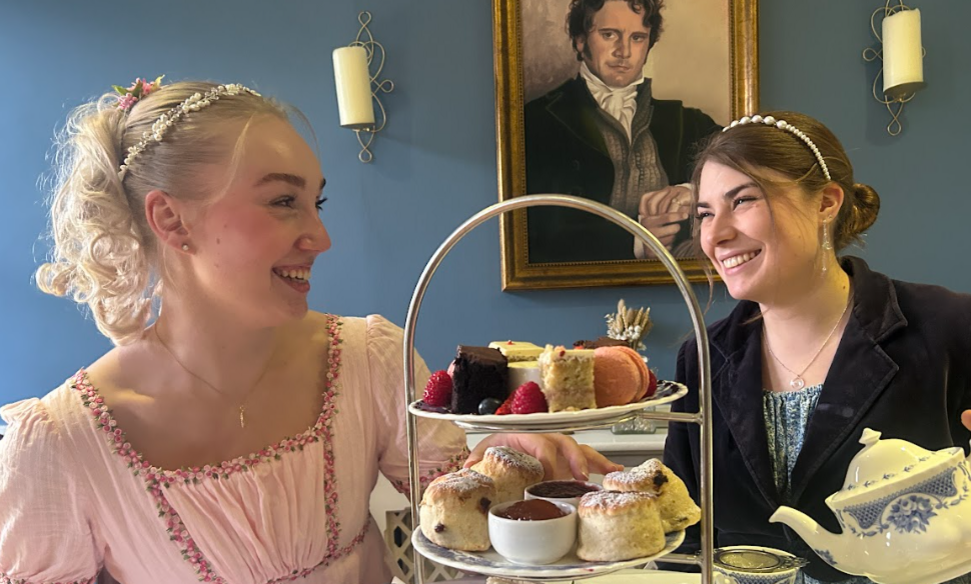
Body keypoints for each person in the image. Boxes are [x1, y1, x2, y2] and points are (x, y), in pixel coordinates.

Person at [0, 78, 619, 584]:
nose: (320, 238)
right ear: (171, 218)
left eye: (315, 203)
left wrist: (508, 459)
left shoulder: (368, 360)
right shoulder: (61, 445)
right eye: (281, 202)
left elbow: (458, 509)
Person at [664, 112, 971, 583]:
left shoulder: (952, 327)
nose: (714, 235)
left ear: (825, 202)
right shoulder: (702, 356)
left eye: (742, 200)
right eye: (704, 214)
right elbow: (681, 529)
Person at [523, 0, 721, 263]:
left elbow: (748, 165)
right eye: (609, 35)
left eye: (637, 38)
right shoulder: (539, 121)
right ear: (581, 41)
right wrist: (636, 240)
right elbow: (536, 234)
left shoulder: (687, 121)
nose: (624, 51)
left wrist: (694, 189)